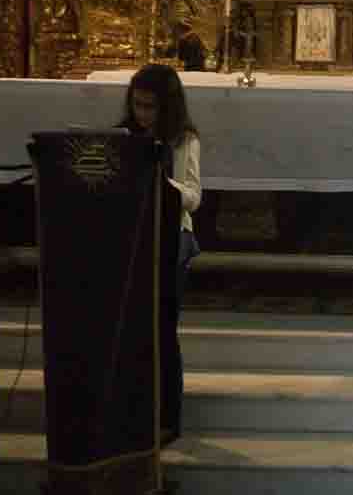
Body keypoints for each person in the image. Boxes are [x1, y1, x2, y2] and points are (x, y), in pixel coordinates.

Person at [120, 64, 201, 446]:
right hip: (132, 237)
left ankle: (168, 417)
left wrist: (159, 175)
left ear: (167, 107)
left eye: (150, 107)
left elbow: (193, 197)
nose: (142, 115)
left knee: (163, 330)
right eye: (137, 105)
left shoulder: (184, 140)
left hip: (172, 239)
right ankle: (131, 413)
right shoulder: (123, 136)